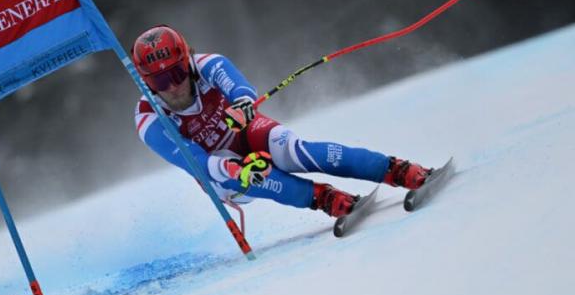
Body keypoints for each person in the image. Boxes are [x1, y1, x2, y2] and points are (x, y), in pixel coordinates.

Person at [132, 25, 433, 217]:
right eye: (159, 81)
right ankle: (324, 199)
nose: (172, 87)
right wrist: (231, 167)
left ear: (187, 61)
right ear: (146, 82)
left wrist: (243, 106)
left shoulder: (206, 65)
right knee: (248, 175)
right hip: (217, 170)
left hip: (246, 131)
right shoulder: (148, 119)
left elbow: (238, 87)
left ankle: (397, 170)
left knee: (296, 151)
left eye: (176, 74)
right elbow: (194, 162)